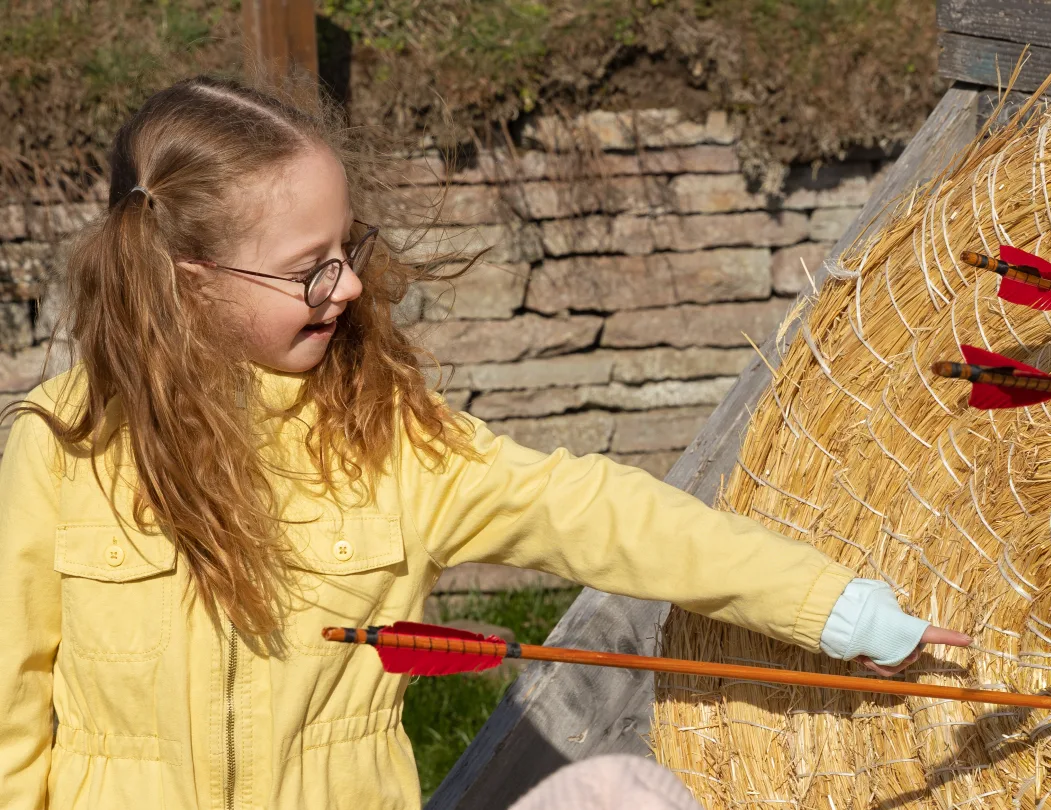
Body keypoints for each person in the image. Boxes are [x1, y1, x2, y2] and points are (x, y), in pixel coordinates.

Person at [0, 76, 970, 810]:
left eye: (348, 248)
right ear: (190, 280)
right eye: (309, 270)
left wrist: (835, 608)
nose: (346, 285)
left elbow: (598, 514)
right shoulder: (61, 444)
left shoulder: (386, 438)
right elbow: (12, 705)